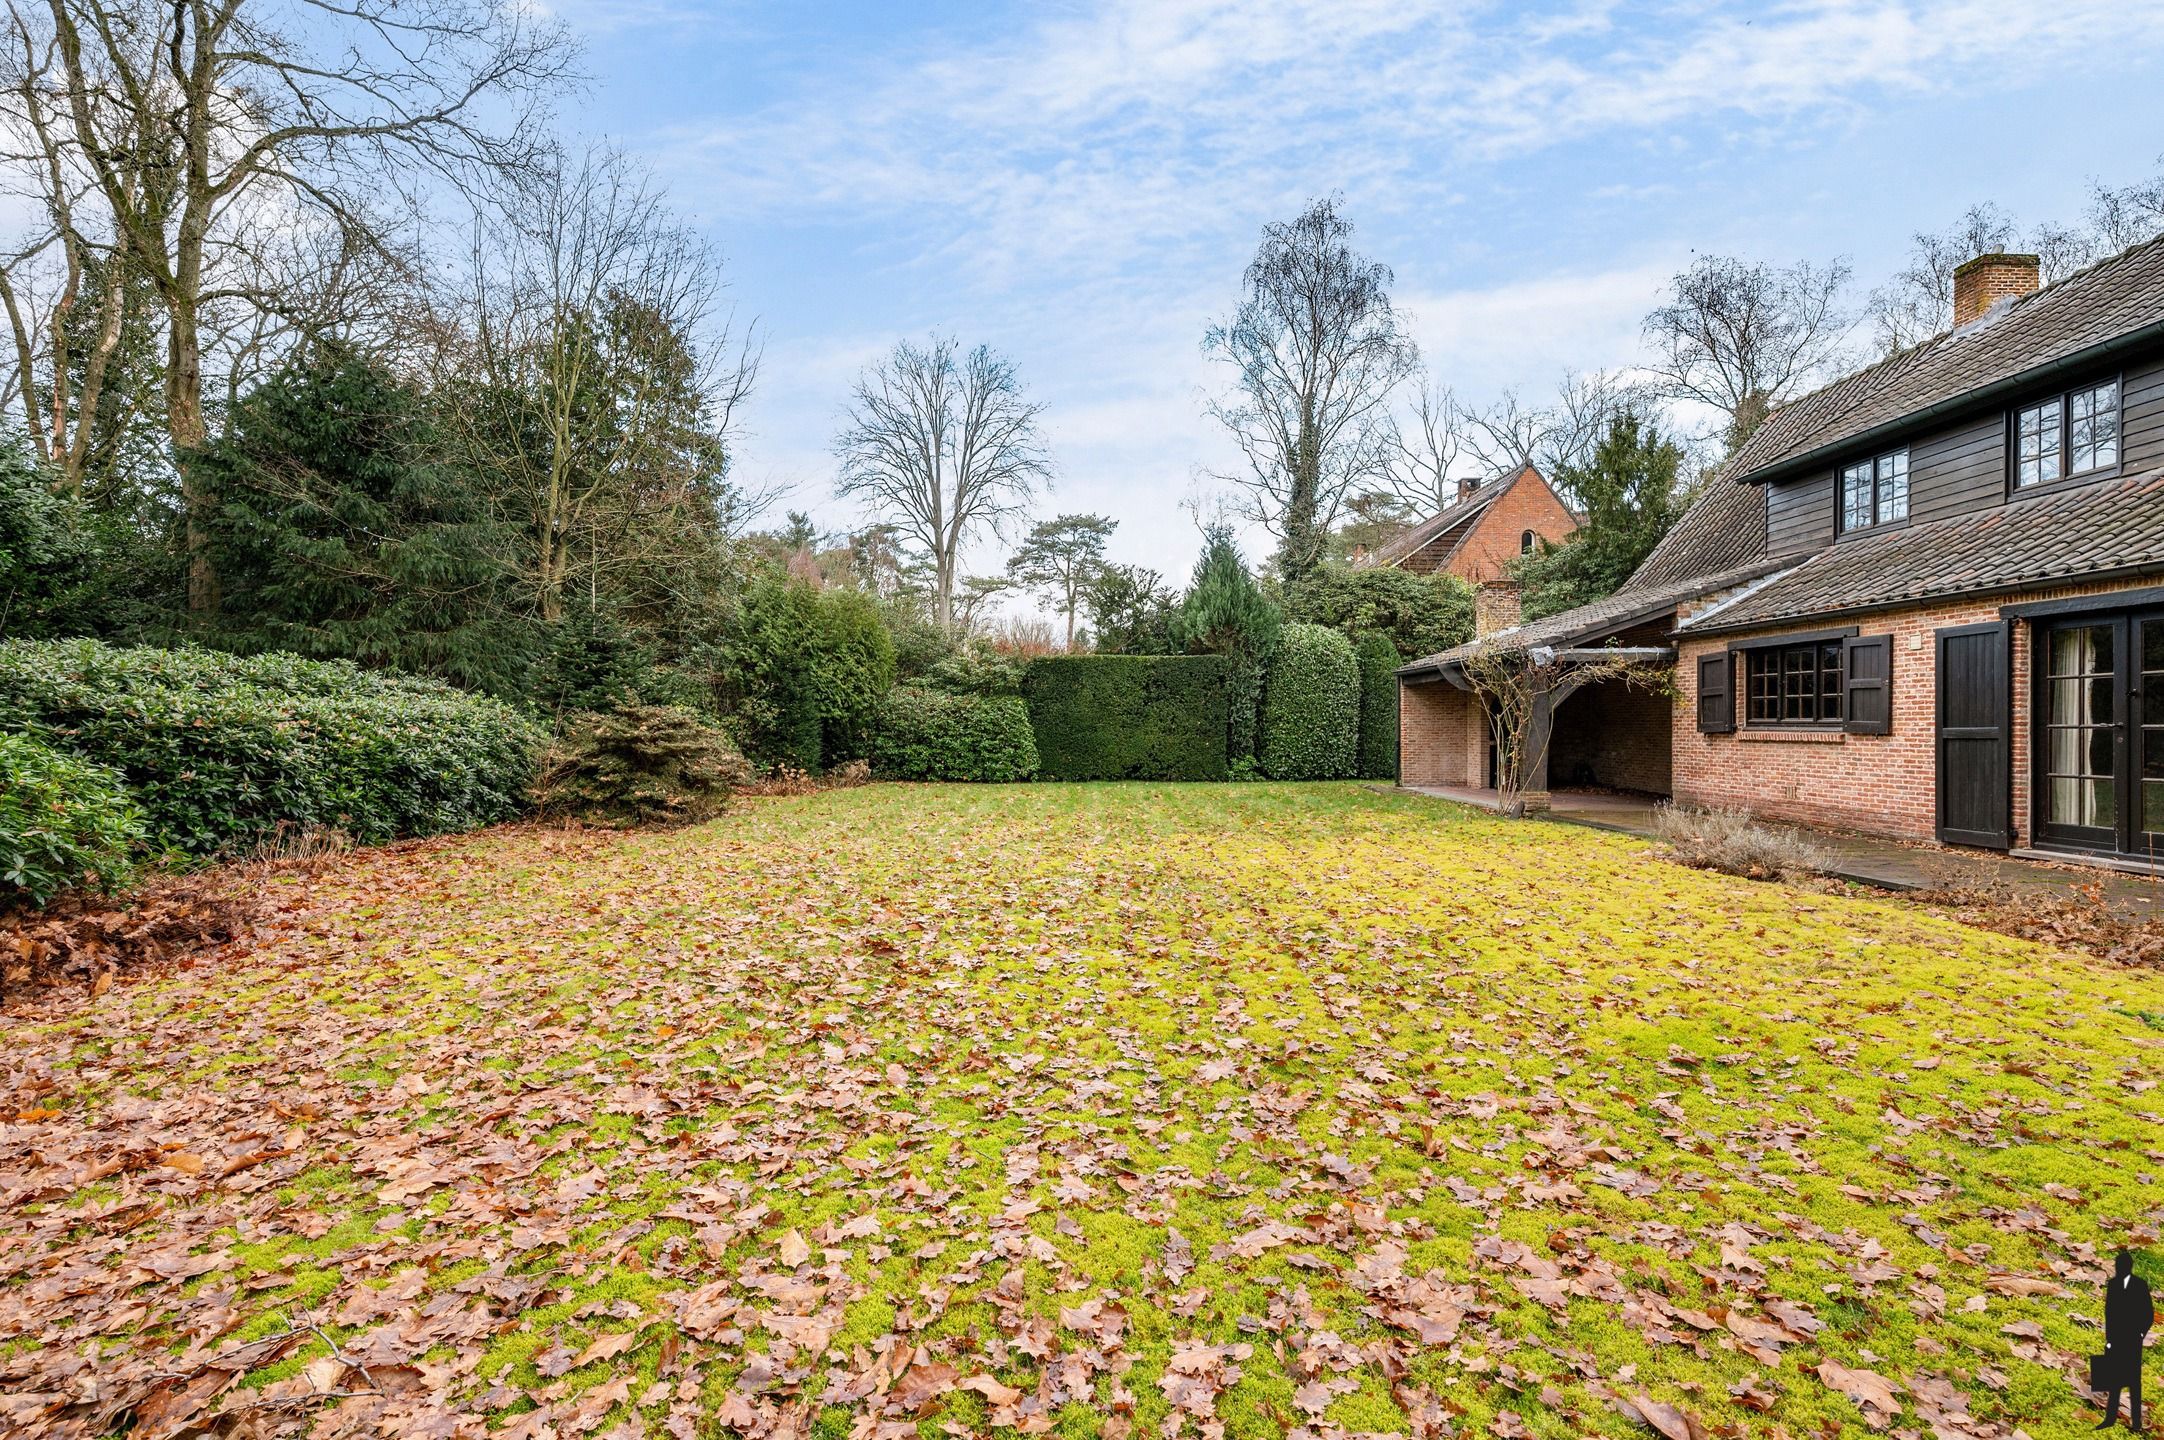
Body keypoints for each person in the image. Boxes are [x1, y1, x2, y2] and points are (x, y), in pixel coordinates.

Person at [2101, 1249, 2154, 1431]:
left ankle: (2136, 1421)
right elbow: (2109, 1314)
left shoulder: (2140, 1285)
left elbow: (2148, 1313)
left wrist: (2141, 1333)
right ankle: (2110, 1417)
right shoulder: (2113, 1285)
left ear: (2128, 1267)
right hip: (2116, 1338)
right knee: (2114, 1378)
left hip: (2132, 1339)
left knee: (2133, 1381)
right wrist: (2109, 1339)